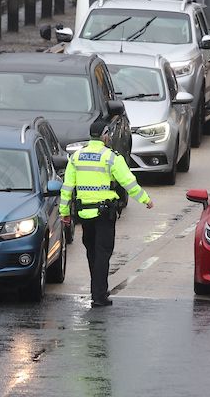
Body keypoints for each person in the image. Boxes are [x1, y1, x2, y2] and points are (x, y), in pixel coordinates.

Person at [60, 127, 153, 307]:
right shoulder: (111, 157)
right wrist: (145, 199)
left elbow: (67, 187)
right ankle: (99, 295)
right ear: (104, 136)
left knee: (92, 252)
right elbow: (128, 182)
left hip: (84, 213)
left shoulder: (76, 157)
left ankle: (97, 289)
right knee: (103, 253)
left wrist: (64, 213)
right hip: (104, 214)